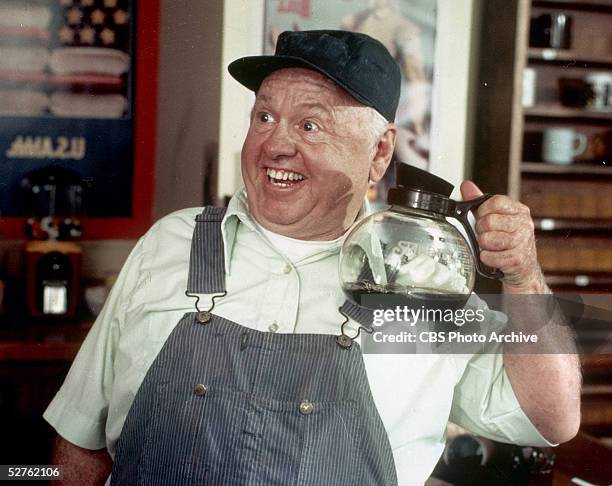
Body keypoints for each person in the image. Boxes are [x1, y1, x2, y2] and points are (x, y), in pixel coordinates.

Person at [44, 30, 581, 485]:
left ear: (379, 153)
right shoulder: (171, 244)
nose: (275, 145)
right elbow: (80, 444)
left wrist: (523, 274)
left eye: (309, 125)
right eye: (264, 118)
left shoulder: (427, 278)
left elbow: (550, 419)